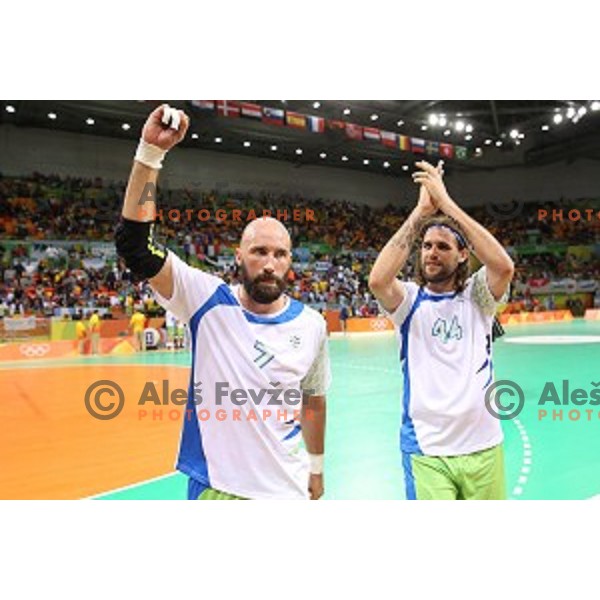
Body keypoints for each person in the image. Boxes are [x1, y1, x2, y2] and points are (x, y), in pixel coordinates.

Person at [115, 104, 330, 500]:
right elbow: (135, 247)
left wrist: (316, 467)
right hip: (220, 490)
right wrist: (150, 154)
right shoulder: (206, 300)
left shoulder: (313, 324)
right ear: (238, 255)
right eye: (258, 251)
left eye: (280, 254)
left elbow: (313, 400)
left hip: (290, 488)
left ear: (290, 260)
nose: (269, 264)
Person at [369, 160, 514, 500]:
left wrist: (446, 205)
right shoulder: (409, 300)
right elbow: (377, 280)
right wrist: (421, 212)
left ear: (463, 255)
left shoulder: (477, 296)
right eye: (427, 246)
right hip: (427, 449)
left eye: (444, 246)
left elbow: (504, 266)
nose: (432, 253)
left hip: (484, 444)